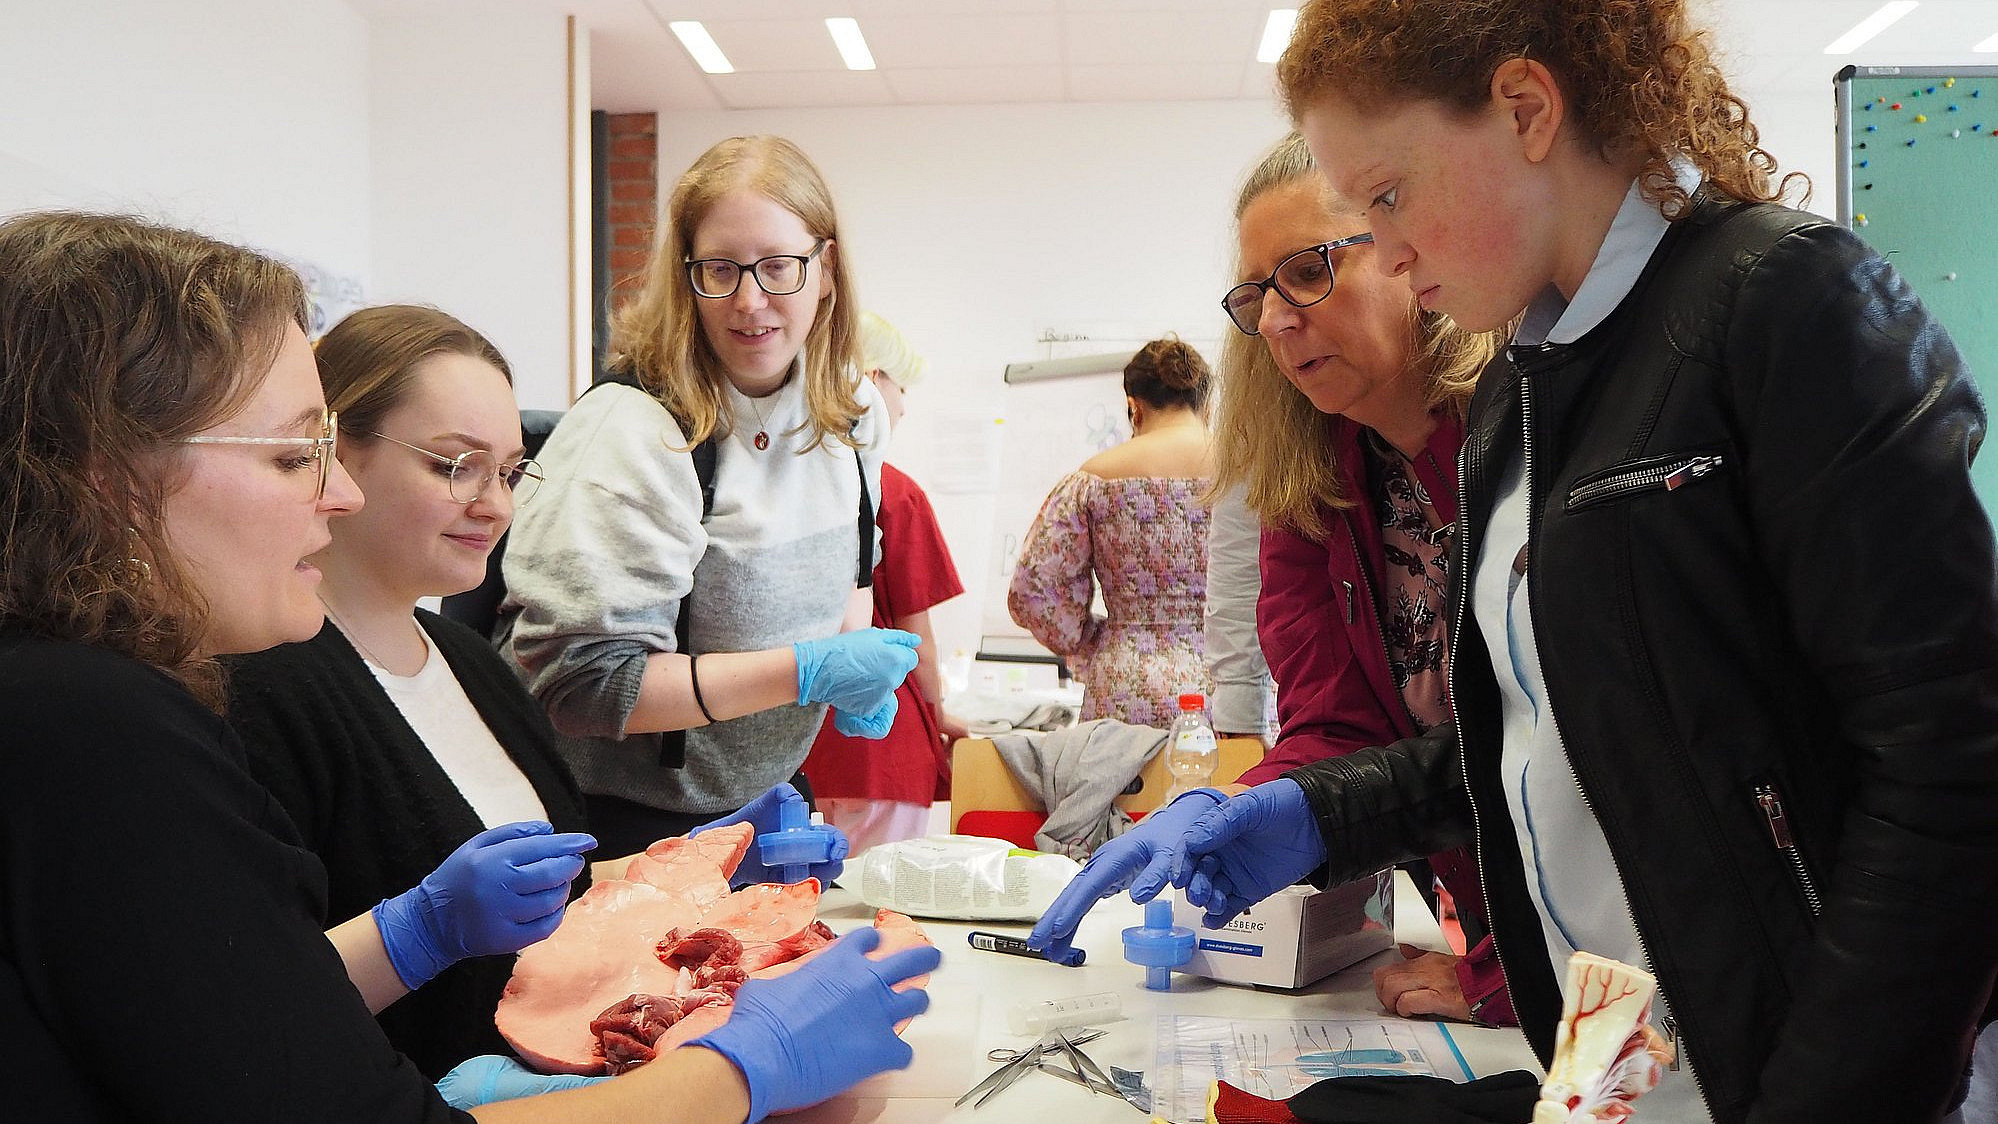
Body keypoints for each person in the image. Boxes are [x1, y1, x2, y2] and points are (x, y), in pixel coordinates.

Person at [1166, 3, 1998, 1121]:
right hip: (1622, 1034)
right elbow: (1557, 744)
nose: (1387, 241)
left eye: (1389, 195)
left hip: (1807, 1061)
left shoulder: (1785, 300)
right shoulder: (1525, 389)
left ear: (1525, 108)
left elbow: (1954, 775)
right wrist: (1319, 813)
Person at [0, 210, 939, 1123]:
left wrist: (687, 870)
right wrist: (743, 1071)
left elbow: (219, 1008)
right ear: (102, 473)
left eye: (510, 472)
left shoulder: (465, 660)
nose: (337, 492)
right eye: (296, 456)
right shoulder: (99, 720)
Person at [224, 304, 848, 1079]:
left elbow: (559, 893)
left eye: (510, 472)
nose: (494, 505)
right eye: (455, 465)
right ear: (336, 453)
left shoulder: (472, 662)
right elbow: (239, 1007)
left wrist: (710, 869)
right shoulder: (259, 690)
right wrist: (415, 939)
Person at [1030, 134, 1511, 1026]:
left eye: (1309, 270)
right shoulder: (1315, 481)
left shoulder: (1524, 431)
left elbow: (1575, 752)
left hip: (1614, 939)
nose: (1280, 318)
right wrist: (1239, 804)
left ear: (1412, 254)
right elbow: (1339, 724)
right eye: (1257, 296)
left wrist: (1511, 971)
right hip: (1492, 919)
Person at [498, 135, 919, 855]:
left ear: (826, 269)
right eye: (720, 269)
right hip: (627, 823)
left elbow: (855, 565)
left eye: (779, 268)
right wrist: (804, 672)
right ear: (685, 275)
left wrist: (854, 658)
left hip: (770, 798)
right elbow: (577, 687)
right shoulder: (632, 433)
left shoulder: (852, 409)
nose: (750, 301)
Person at [802, 311, 967, 854]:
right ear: (872, 381)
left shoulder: (785, 489)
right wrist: (940, 714)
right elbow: (916, 636)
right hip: (881, 747)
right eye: (900, 387)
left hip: (791, 748)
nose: (903, 406)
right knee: (876, 915)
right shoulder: (894, 492)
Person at [1007, 336, 1215, 727]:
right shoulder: (1250, 475)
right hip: (1231, 682)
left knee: (1124, 788)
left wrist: (1089, 639)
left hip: (1124, 683)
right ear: (1206, 405)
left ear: (1133, 408)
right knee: (1229, 787)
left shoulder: (1093, 479)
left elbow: (1034, 589)